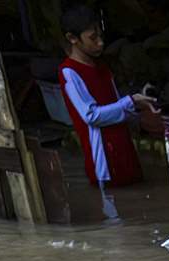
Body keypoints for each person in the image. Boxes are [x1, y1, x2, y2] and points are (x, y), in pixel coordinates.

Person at [59, 5, 154, 191]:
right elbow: (91, 116)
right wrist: (131, 101)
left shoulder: (102, 68)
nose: (101, 43)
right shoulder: (69, 72)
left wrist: (139, 107)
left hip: (125, 152)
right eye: (93, 38)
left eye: (100, 36)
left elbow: (117, 105)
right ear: (72, 39)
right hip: (104, 165)